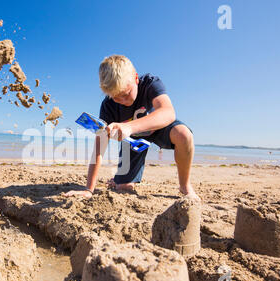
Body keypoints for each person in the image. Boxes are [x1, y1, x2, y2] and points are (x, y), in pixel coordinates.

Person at [64, 55, 200, 200]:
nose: (123, 101)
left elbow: (168, 112)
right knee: (124, 188)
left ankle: (184, 185)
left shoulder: (150, 83)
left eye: (126, 94)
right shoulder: (108, 106)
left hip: (158, 127)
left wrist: (129, 127)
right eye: (116, 97)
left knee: (184, 134)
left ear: (135, 78)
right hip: (134, 141)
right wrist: (88, 190)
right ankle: (119, 180)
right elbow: (99, 150)